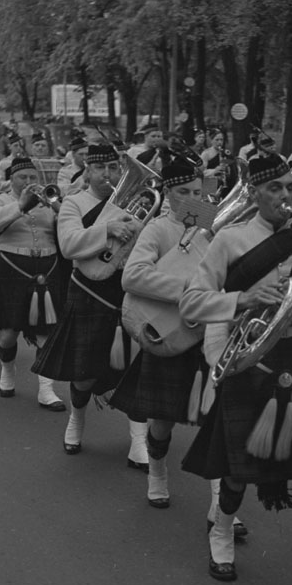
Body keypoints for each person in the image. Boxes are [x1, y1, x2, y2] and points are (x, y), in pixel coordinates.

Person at [179, 152, 292, 585]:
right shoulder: (229, 240)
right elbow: (191, 303)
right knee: (237, 471)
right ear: (253, 193)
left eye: (290, 187)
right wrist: (243, 298)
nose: (285, 196)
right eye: (275, 188)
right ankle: (222, 531)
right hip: (251, 361)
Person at [112, 156, 238, 520]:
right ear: (168, 192)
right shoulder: (157, 229)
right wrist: (189, 289)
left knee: (217, 420)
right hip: (169, 333)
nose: (193, 198)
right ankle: (157, 473)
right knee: (163, 419)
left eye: (198, 192)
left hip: (210, 333)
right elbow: (132, 277)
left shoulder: (212, 227)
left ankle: (221, 504)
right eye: (184, 192)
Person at [33, 141, 149, 463]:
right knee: (84, 371)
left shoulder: (135, 203)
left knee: (134, 369)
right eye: (100, 168)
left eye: (113, 167)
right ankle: (77, 418)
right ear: (87, 171)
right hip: (89, 290)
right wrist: (108, 228)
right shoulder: (74, 203)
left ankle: (138, 440)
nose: (107, 173)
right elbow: (69, 245)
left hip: (128, 290)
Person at [0, 155, 68, 409]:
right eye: (23, 177)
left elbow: (71, 226)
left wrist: (57, 206)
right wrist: (21, 205)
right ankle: (8, 371)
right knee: (9, 333)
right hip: (13, 268)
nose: (29, 181)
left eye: (33, 177)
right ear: (12, 179)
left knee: (45, 332)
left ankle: (46, 390)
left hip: (47, 267)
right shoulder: (0, 200)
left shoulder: (48, 200)